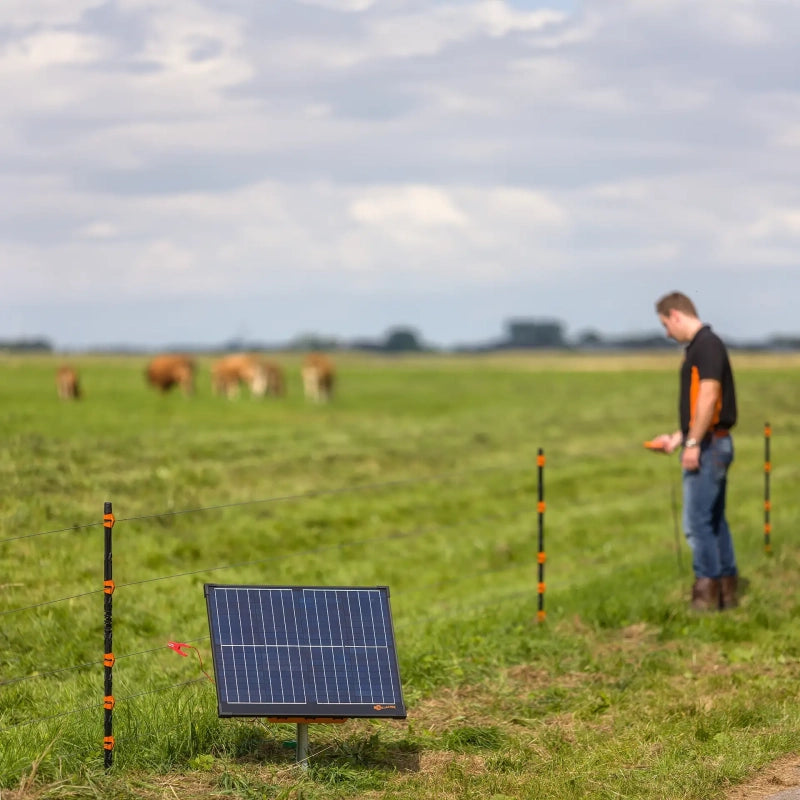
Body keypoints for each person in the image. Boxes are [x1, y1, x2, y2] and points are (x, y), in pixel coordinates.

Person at [649, 291, 739, 611]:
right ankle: (727, 593)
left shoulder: (706, 345)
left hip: (709, 445)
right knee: (714, 520)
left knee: (697, 524)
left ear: (675, 315)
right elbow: (701, 404)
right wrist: (679, 437)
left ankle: (706, 597)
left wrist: (693, 443)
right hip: (711, 440)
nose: (666, 333)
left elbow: (709, 395)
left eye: (665, 324)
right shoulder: (702, 346)